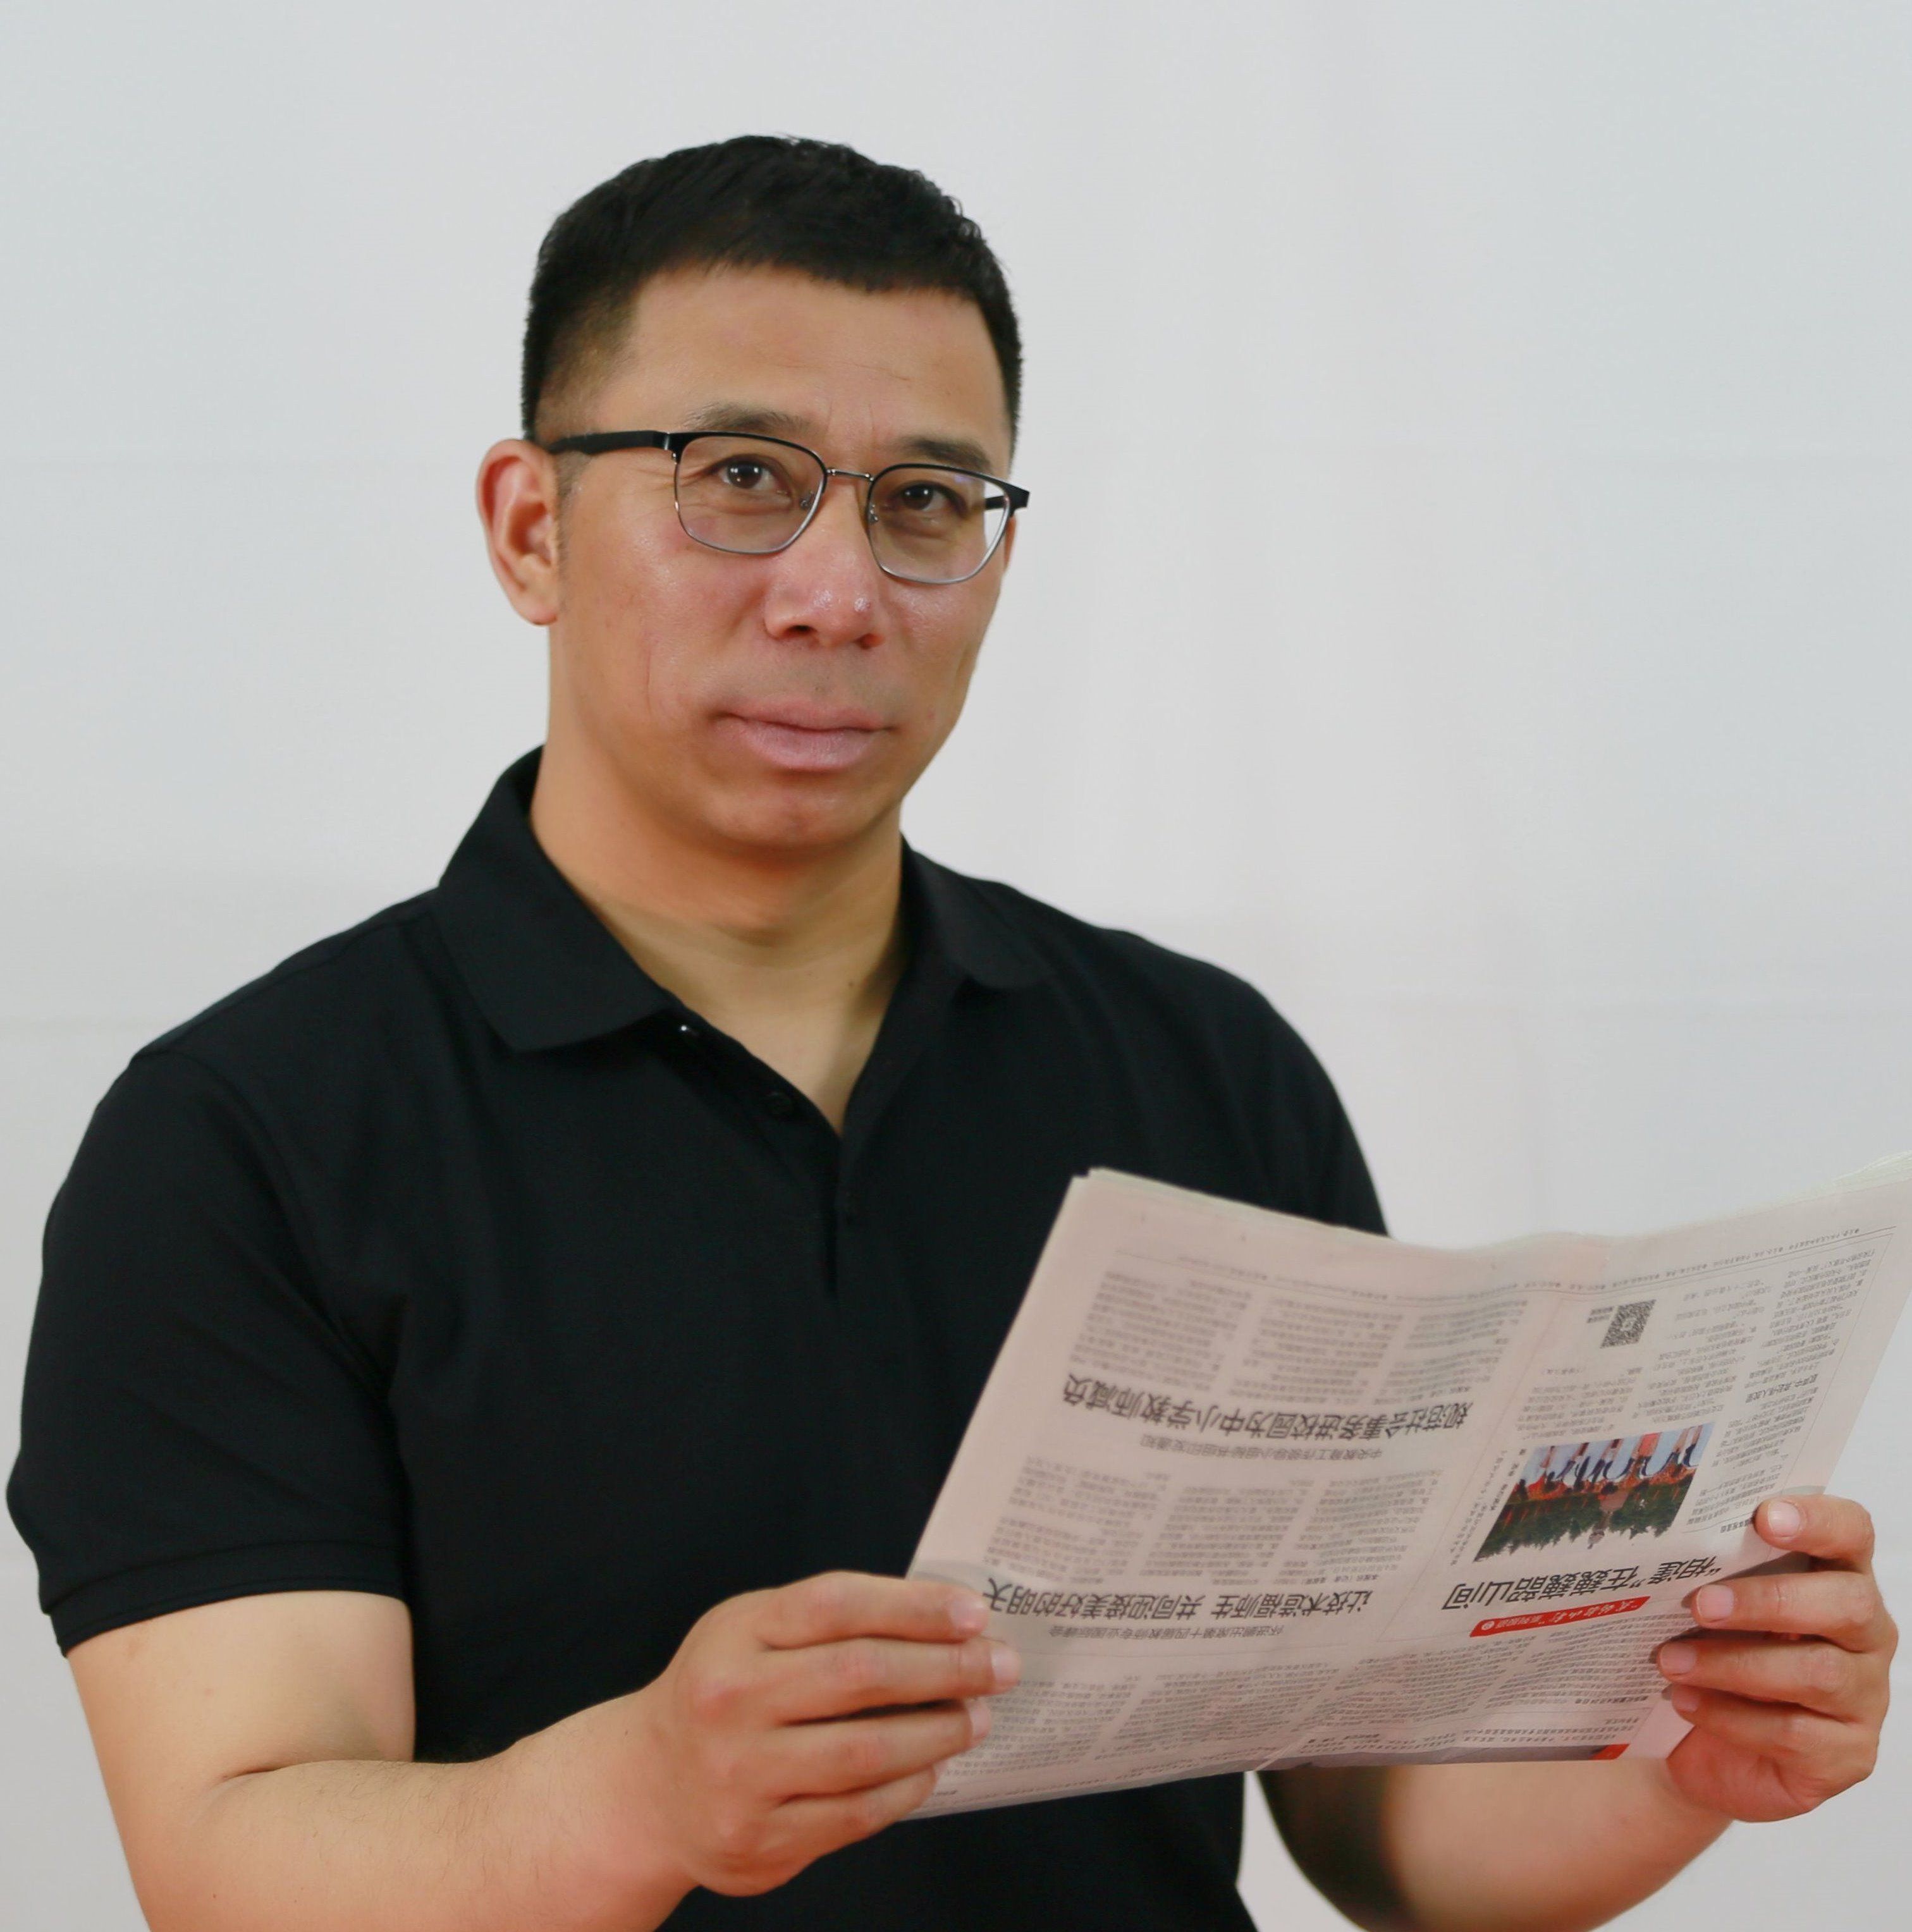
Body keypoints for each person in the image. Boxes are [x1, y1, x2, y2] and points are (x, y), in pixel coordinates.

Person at [6, 135, 1894, 1932]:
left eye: (924, 504)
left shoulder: (1200, 1067)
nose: (839, 596)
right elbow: (234, 1863)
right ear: (530, 529)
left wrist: (1679, 1759)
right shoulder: (248, 1135)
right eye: (740, 478)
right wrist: (640, 1796)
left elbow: (1377, 1825)